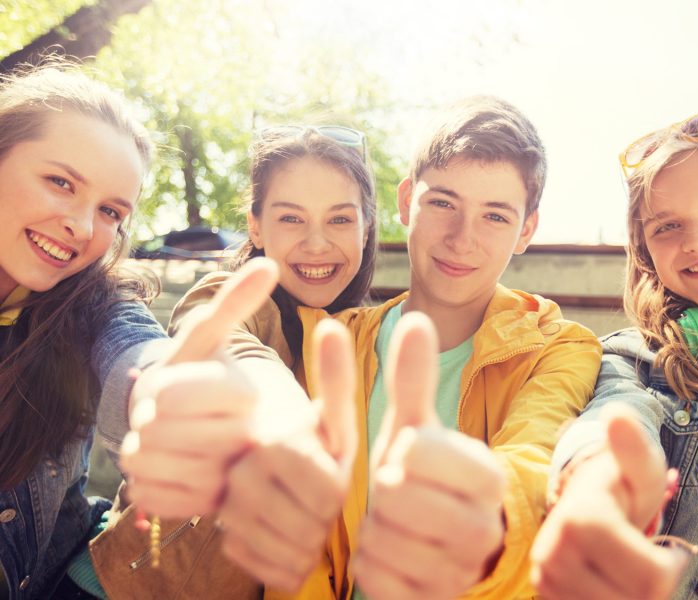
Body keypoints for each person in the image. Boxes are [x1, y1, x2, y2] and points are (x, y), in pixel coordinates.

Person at [218, 95, 603, 599]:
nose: (462, 238)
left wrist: (481, 512)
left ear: (527, 229)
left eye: (495, 216)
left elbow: (535, 453)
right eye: (442, 203)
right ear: (404, 203)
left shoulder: (560, 349)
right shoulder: (334, 341)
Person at [89, 125, 377, 599]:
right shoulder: (226, 298)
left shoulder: (366, 334)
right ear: (256, 226)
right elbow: (231, 350)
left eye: (341, 220)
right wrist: (289, 425)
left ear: (367, 228)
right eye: (291, 219)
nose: (318, 243)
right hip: (123, 587)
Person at [530, 108, 698, 600]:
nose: (697, 240)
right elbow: (614, 422)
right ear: (646, 251)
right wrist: (594, 491)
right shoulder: (636, 363)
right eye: (667, 226)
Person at [0, 63, 169, 600]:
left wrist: (174, 392)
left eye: (111, 211)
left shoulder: (94, 301)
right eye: (60, 182)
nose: (81, 226)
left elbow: (139, 350)